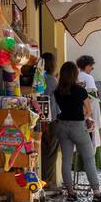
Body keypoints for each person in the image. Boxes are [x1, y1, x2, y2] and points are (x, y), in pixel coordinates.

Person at [55, 61, 101, 202]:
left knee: (66, 161)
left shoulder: (58, 91)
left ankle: (71, 193)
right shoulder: (80, 91)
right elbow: (88, 110)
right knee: (89, 159)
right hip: (78, 127)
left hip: (62, 126)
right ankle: (97, 193)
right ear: (75, 74)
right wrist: (85, 118)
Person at [41, 52, 61, 193]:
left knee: (45, 151)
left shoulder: (41, 78)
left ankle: (46, 180)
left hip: (43, 120)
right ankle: (48, 181)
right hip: (51, 120)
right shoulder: (51, 80)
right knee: (51, 152)